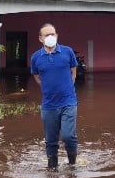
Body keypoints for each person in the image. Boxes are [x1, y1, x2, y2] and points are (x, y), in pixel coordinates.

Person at [31, 23, 79, 169]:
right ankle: (52, 169)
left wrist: (67, 89)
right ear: (41, 38)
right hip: (49, 105)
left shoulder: (67, 52)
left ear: (57, 36)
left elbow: (73, 72)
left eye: (53, 34)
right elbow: (37, 76)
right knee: (51, 141)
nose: (51, 37)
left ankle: (72, 165)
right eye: (47, 35)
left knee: (68, 136)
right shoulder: (35, 58)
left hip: (68, 102)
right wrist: (48, 89)